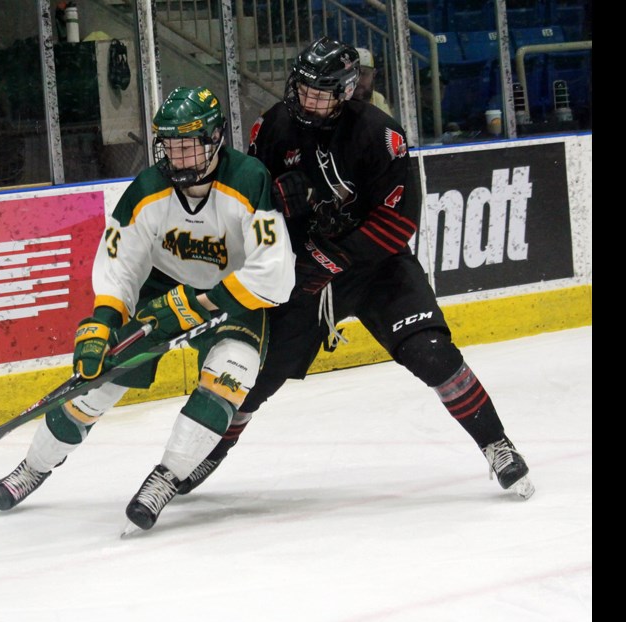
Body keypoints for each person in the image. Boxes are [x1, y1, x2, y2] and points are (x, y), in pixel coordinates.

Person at [177, 37, 535, 500]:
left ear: (346, 91)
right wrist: (278, 210)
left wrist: (330, 259)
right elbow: (252, 208)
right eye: (303, 88)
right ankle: (206, 453)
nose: (308, 99)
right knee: (257, 372)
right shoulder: (271, 129)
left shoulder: (379, 135)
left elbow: (398, 223)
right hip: (303, 274)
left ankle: (498, 445)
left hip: (376, 270)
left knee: (432, 353)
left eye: (321, 93)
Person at [0, 86, 296, 531]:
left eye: (188, 145)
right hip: (162, 293)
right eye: (170, 145)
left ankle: (166, 478)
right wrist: (102, 323)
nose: (178, 156)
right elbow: (120, 267)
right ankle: (33, 468)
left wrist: (202, 304)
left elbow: (275, 275)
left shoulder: (249, 179)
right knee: (95, 384)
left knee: (230, 378)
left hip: (235, 300)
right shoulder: (148, 189)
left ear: (214, 139)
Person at [353, 47, 393, 116]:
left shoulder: (378, 99)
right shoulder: (337, 100)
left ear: (373, 74)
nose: (358, 79)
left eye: (363, 73)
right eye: (353, 74)